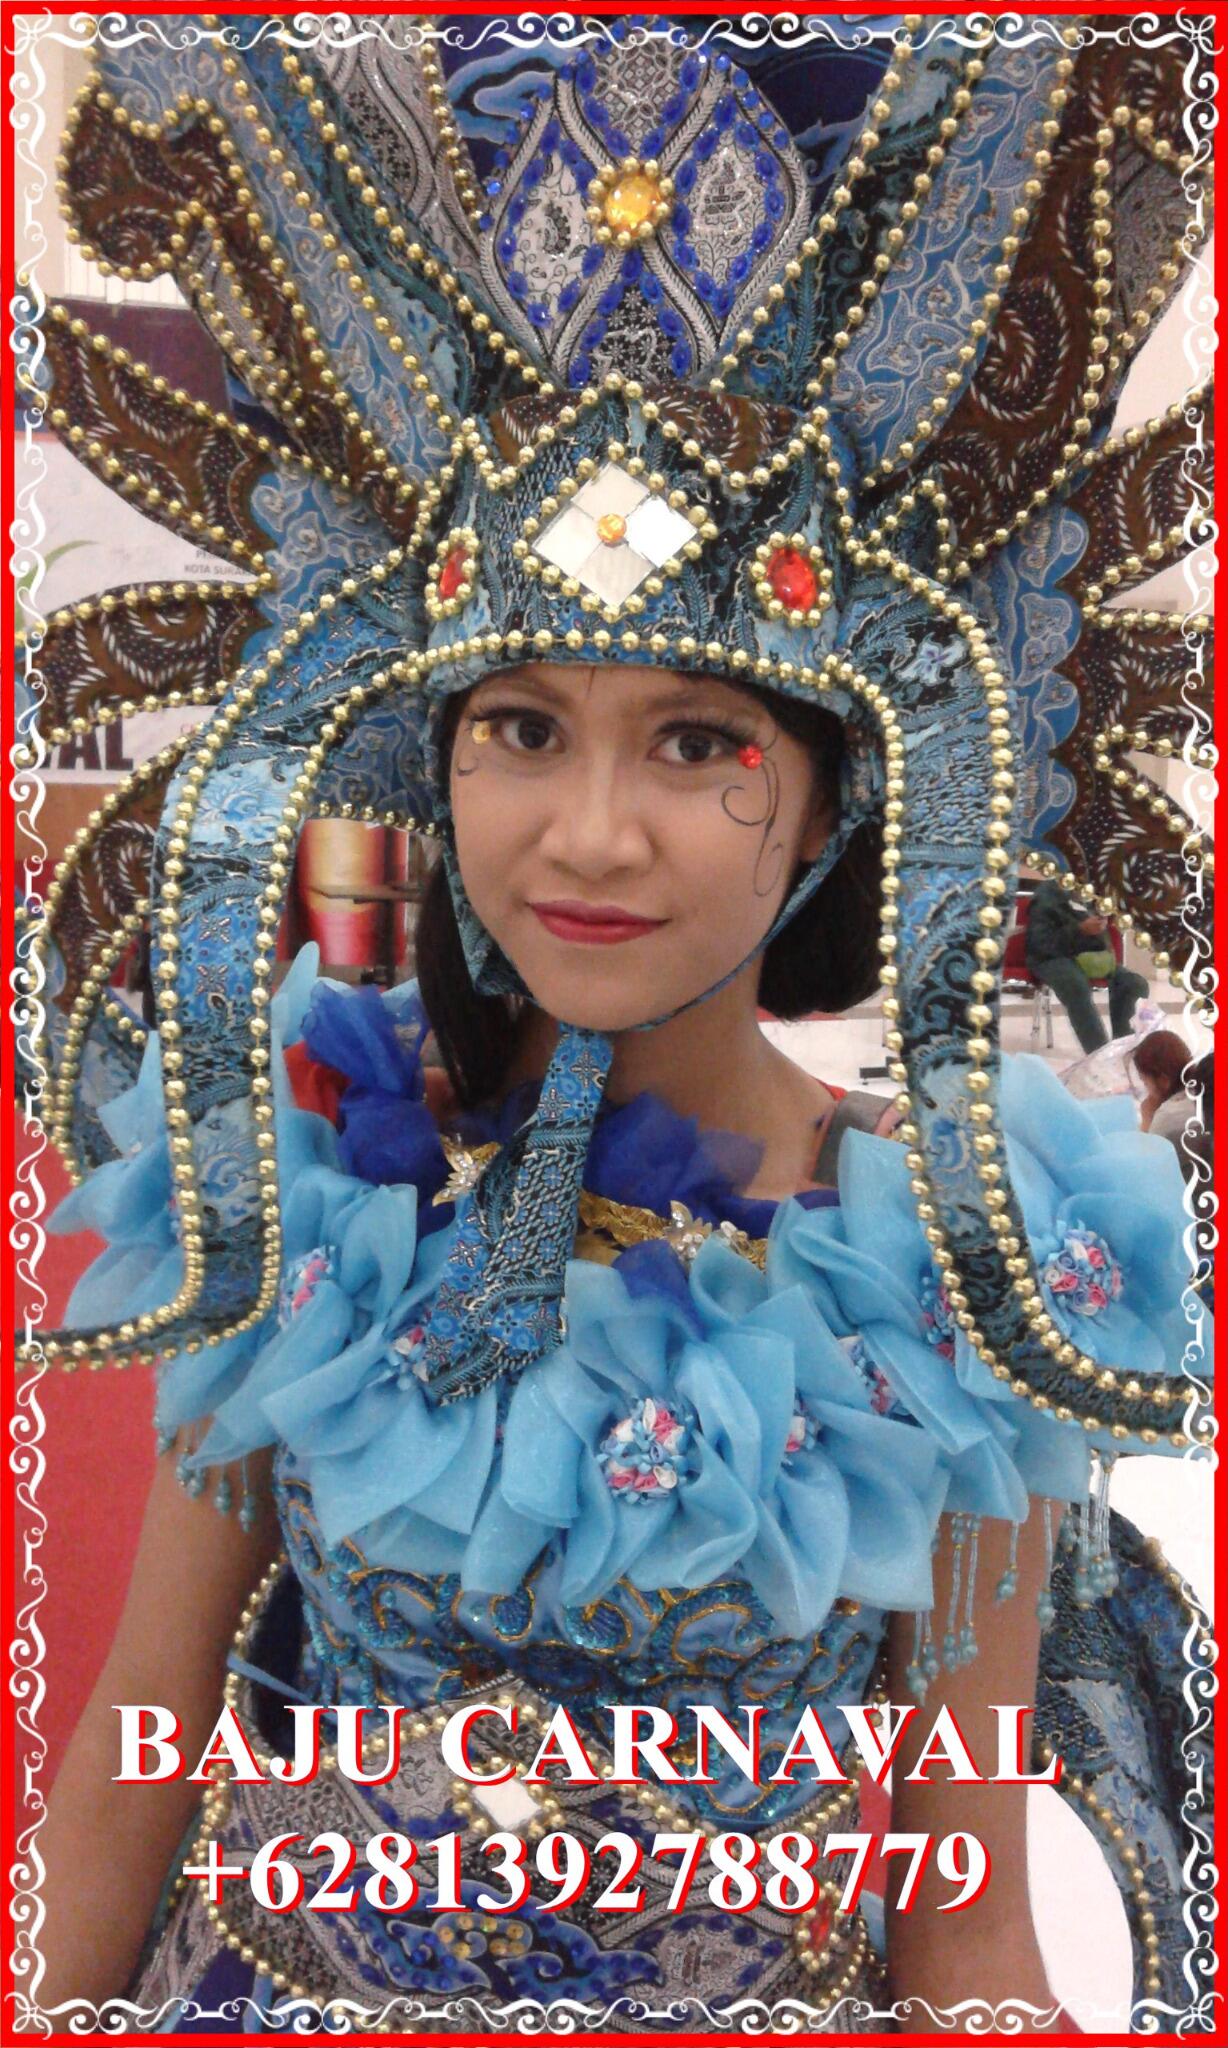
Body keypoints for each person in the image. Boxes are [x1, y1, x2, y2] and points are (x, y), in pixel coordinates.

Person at [22, 14, 1212, 2038]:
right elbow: (125, 1776)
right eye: (518, 726)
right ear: (429, 753)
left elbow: (962, 1931)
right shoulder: (301, 1196)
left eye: (694, 742)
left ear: (828, 801)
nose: (587, 831)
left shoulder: (970, 1266)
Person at [1024, 881, 1149, 1056]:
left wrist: (1100, 929)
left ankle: (1123, 1049)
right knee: (1075, 984)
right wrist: (1080, 930)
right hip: (1051, 958)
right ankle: (1100, 1055)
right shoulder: (1046, 897)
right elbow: (1040, 943)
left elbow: (1100, 940)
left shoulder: (1090, 895)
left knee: (1134, 983)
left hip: (1088, 958)